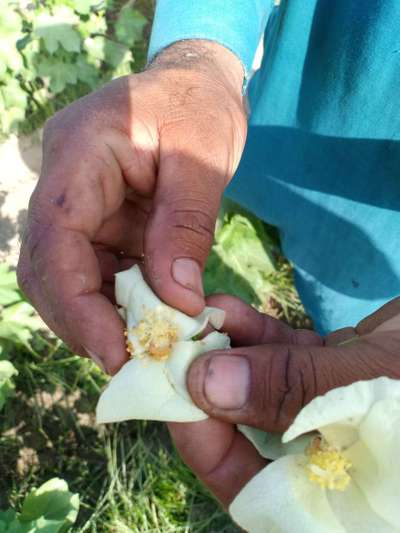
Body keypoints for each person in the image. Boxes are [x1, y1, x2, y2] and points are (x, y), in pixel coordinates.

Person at [17, 0, 400, 513]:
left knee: (354, 307)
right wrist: (202, 48)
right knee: (331, 285)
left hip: (383, 243)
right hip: (279, 118)